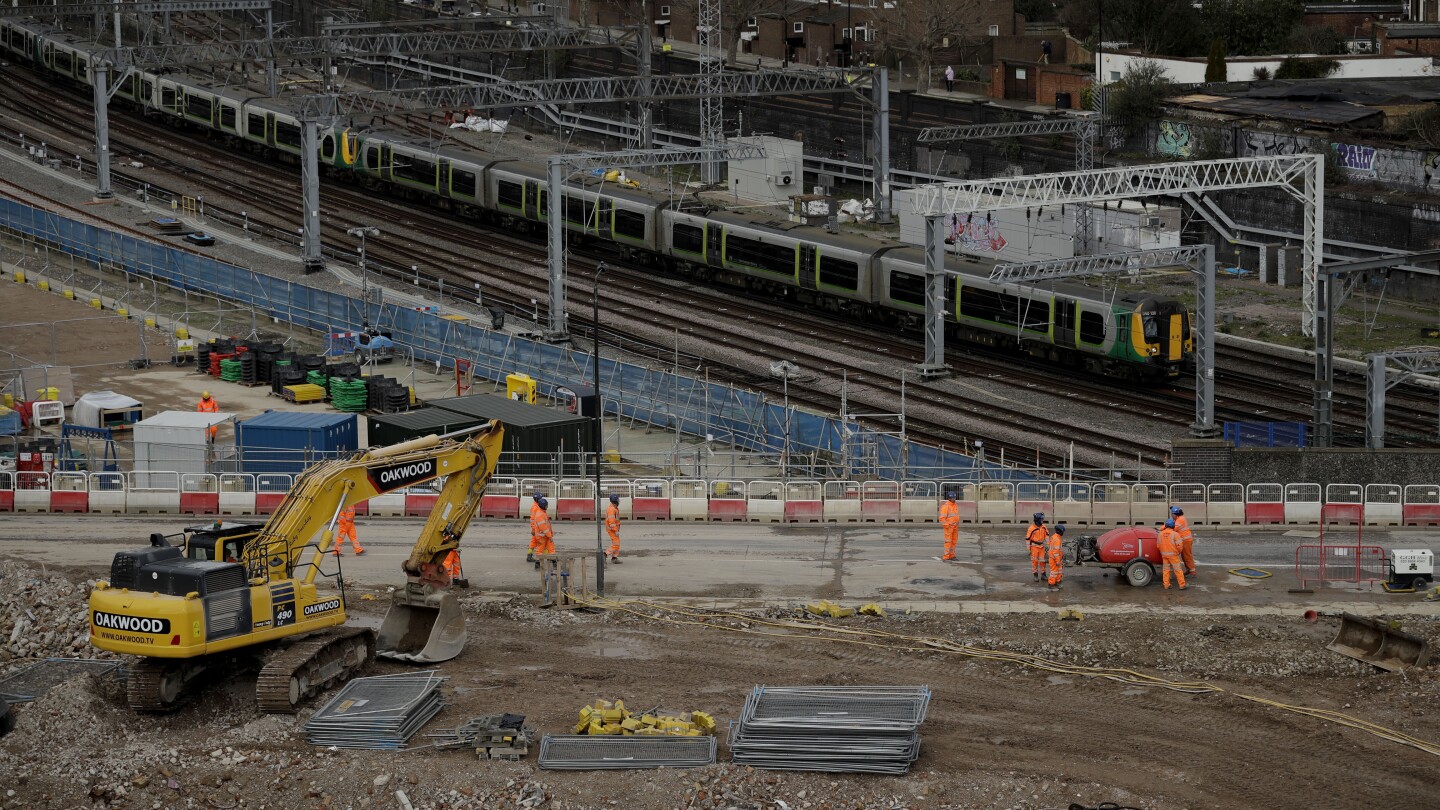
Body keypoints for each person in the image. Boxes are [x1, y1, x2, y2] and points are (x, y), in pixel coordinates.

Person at [1158, 518, 1187, 590]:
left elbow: (1158, 546)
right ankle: (1182, 585)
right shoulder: (1175, 534)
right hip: (1173, 555)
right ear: (1173, 526)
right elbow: (1180, 546)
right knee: (1178, 570)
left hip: (1164, 555)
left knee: (1166, 570)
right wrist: (1178, 552)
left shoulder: (1160, 534)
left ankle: (1166, 585)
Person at [529, 494, 554, 564]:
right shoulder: (539, 513)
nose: (548, 506)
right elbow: (544, 527)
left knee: (550, 548)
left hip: (543, 535)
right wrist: (549, 535)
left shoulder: (541, 511)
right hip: (542, 535)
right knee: (540, 549)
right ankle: (538, 562)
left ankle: (552, 560)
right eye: (547, 505)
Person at [1171, 506, 1196, 576]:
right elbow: (1168, 524)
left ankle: (1192, 572)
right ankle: (1189, 570)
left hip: (1186, 541)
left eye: (1172, 514)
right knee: (1185, 557)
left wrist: (1162, 530)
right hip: (1184, 540)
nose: (1171, 516)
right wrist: (1160, 528)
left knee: (1187, 557)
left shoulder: (1180, 520)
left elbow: (1172, 528)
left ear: (1175, 514)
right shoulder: (1178, 519)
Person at [1025, 512, 1048, 582]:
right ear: (1037, 520)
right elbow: (1028, 539)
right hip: (1034, 547)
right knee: (1034, 562)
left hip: (1041, 547)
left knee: (1042, 562)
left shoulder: (1044, 527)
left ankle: (1043, 575)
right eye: (1041, 519)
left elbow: (1047, 535)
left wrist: (1048, 544)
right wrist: (1028, 549)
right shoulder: (1031, 528)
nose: (1042, 521)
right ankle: (1035, 575)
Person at [939, 491, 960, 562]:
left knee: (954, 542)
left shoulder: (955, 505)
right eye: (952, 498)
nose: (954, 499)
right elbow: (942, 518)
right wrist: (947, 526)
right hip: (949, 527)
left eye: (954, 497)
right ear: (949, 498)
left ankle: (952, 555)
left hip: (955, 527)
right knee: (948, 542)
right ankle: (946, 557)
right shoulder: (946, 506)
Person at [1046, 523, 1066, 590]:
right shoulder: (1057, 539)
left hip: (1057, 558)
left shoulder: (1055, 537)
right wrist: (1058, 561)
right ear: (1060, 531)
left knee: (1059, 571)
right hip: (1055, 559)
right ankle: (1051, 584)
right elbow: (1055, 552)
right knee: (1054, 572)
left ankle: (1057, 581)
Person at [605, 493, 623, 564]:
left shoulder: (614, 508)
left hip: (614, 529)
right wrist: (616, 530)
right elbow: (611, 522)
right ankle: (605, 554)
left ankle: (614, 558)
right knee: (616, 544)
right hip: (612, 530)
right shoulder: (612, 509)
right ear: (616, 501)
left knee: (617, 544)